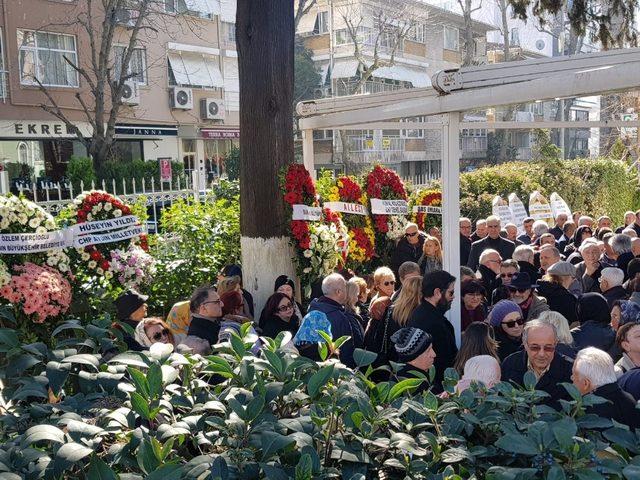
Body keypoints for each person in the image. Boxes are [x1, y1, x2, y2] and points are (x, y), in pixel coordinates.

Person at [501, 320, 573, 409]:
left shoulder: (570, 371)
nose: (541, 354)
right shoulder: (510, 364)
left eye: (548, 348)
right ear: (525, 344)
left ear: (555, 344)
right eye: (535, 348)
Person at [407, 270, 458, 391]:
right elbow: (442, 360)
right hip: (433, 387)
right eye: (451, 293)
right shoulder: (430, 320)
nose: (453, 297)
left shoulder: (424, 313)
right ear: (437, 292)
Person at [572, 347, 640, 430]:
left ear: (586, 383)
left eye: (574, 376)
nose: (572, 379)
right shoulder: (628, 397)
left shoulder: (589, 415)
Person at [308, 273, 364, 368]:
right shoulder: (340, 317)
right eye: (345, 288)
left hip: (313, 369)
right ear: (338, 292)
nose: (347, 291)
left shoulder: (312, 309)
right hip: (335, 371)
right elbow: (347, 352)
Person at [180, 286, 225, 355]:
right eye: (217, 302)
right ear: (203, 308)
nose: (222, 304)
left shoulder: (207, 327)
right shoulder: (198, 341)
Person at [391, 327, 437, 394]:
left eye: (431, 348)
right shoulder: (408, 386)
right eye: (428, 351)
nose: (434, 354)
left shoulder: (426, 370)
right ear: (412, 359)